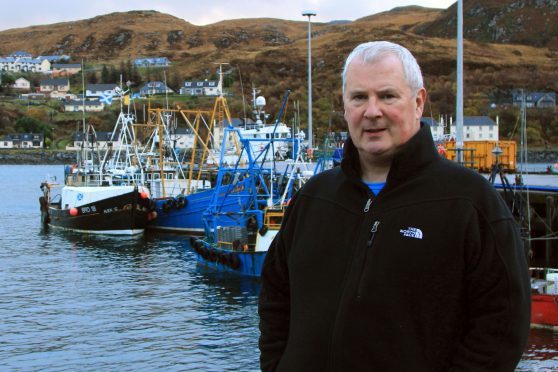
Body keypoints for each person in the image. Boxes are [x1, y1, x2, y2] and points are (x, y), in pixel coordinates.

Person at [258, 41, 531, 371]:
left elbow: (502, 325)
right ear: (345, 107)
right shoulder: (313, 198)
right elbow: (276, 295)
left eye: (387, 96)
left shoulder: (469, 202)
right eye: (359, 97)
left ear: (418, 102)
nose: (372, 111)